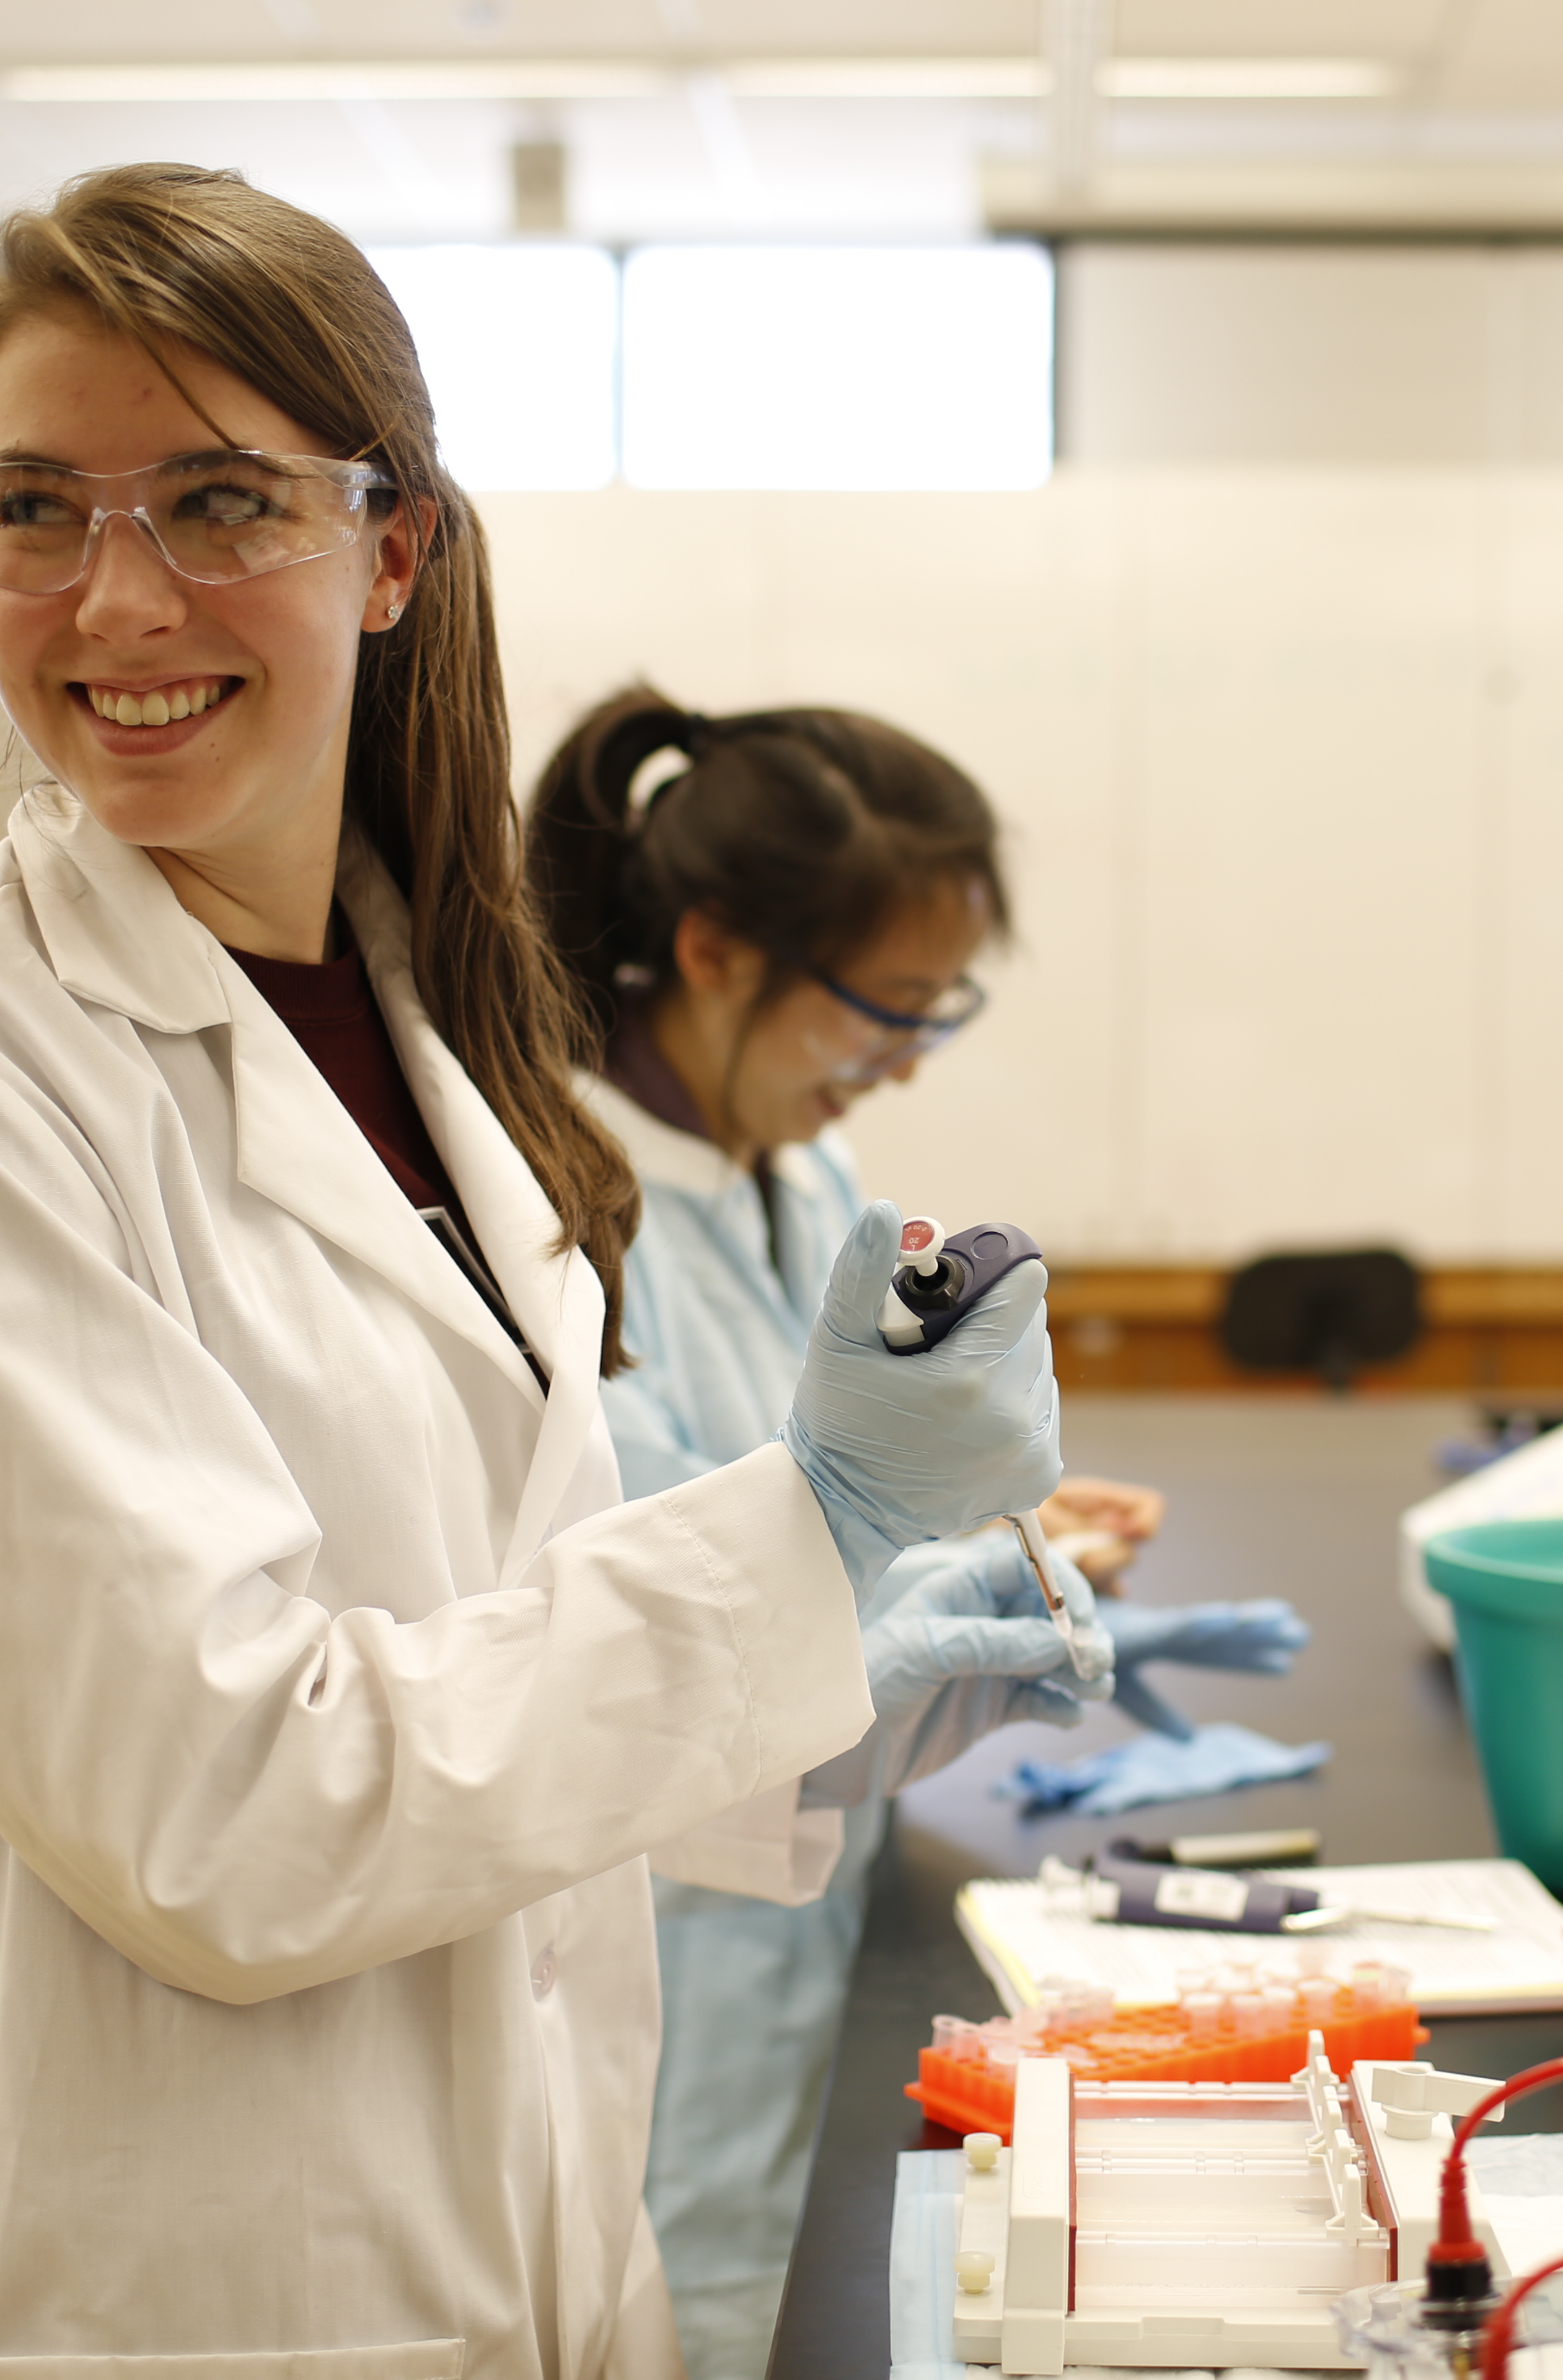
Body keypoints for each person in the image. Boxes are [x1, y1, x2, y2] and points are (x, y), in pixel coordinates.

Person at [0, 164, 1097, 2380]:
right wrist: (801, 1546)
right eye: (36, 507)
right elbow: (234, 1818)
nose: (115, 599)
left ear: (391, 547)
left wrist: (832, 1695)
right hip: (161, 2297)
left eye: (217, 502)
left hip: (523, 2241)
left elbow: (463, 1680)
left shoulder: (425, 1036)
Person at [527, 687, 1310, 2380]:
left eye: (938, 1009)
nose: (906, 1057)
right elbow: (639, 1621)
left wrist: (1005, 1531)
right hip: (671, 1937)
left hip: (816, 1883)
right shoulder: (565, 1212)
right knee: (693, 2301)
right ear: (718, 951)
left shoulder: (801, 1177)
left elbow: (818, 1501)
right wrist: (918, 1576)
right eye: (884, 1006)